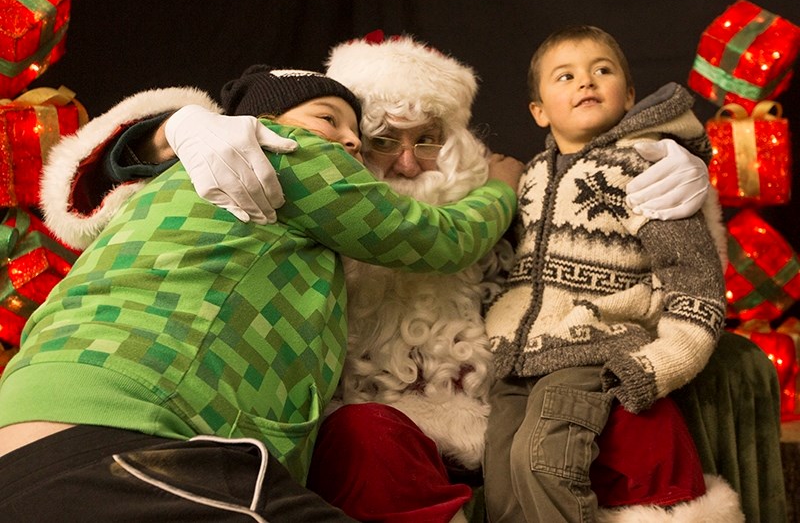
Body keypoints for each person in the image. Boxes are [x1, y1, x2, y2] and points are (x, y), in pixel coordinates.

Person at [31, 32, 785, 522]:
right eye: (384, 140)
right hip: (343, 419)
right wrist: (171, 130)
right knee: (364, 441)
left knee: (631, 413)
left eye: (432, 140)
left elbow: (592, 208)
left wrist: (683, 158)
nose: (411, 163)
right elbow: (88, 200)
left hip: (507, 396)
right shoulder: (260, 172)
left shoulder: (501, 199)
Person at [0, 66, 523, 522]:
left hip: (27, 425)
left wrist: (161, 134)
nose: (352, 142)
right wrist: (500, 186)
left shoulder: (173, 186)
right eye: (328, 118)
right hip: (138, 430)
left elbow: (100, 185)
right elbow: (437, 238)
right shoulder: (282, 151)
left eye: (357, 131)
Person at [482, 25, 744, 522]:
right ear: (538, 110)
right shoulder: (531, 176)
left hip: (593, 344)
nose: (586, 82)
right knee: (503, 478)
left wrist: (661, 363)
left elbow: (697, 284)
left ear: (628, 97)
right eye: (565, 76)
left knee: (540, 460)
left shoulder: (646, 168)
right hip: (515, 357)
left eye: (602, 70)